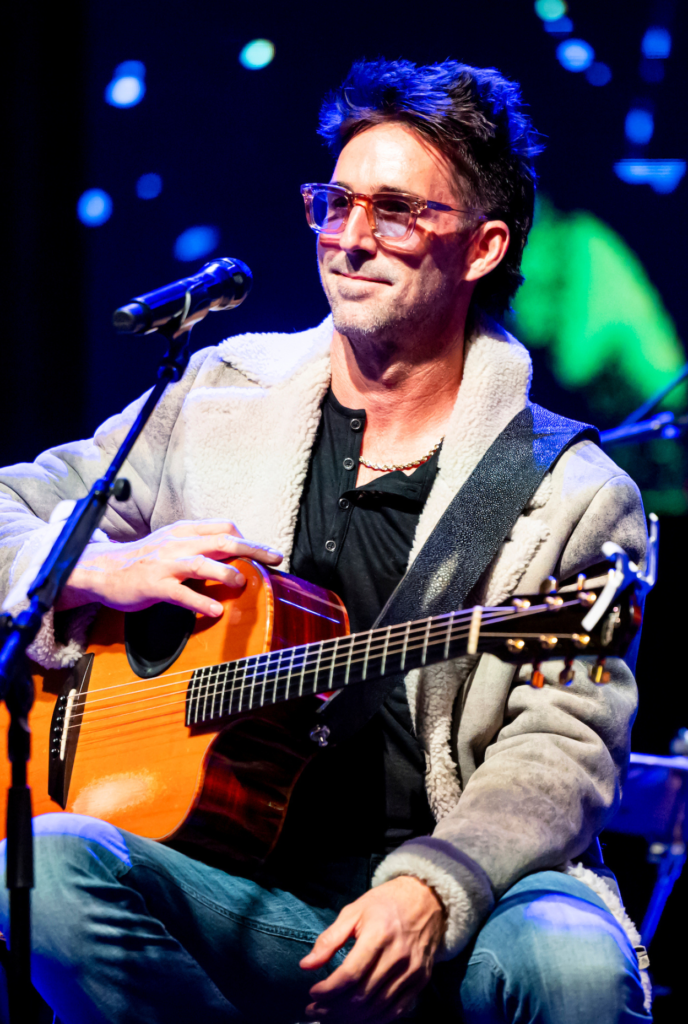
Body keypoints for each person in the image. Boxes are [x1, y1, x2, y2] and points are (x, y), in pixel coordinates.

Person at [0, 58, 651, 1023]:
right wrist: (97, 565)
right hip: (230, 877)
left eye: (395, 211)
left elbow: (563, 749)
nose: (350, 239)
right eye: (336, 203)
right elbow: (15, 505)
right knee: (38, 862)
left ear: (482, 249)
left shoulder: (571, 491)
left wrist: (432, 886)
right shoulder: (217, 395)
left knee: (572, 966)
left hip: (470, 889)